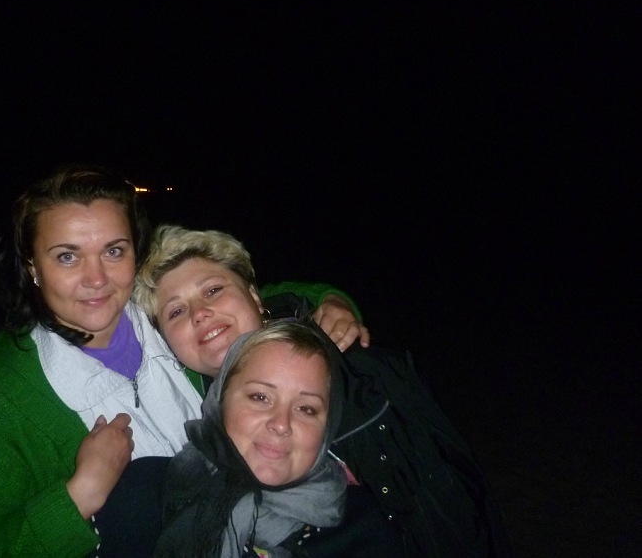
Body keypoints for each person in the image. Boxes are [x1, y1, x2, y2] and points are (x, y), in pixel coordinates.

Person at [0, 163, 369, 557]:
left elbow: (247, 303)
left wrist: (330, 301)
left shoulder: (167, 322)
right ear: (33, 267)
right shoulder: (6, 402)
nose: (96, 279)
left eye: (114, 251)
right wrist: (77, 496)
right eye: (68, 256)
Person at [133, 223, 514, 557]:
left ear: (254, 295)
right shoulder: (187, 413)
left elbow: (455, 501)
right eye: (176, 311)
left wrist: (330, 298)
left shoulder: (360, 372)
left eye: (214, 290)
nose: (199, 312)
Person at [154, 321, 347, 558]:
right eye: (260, 397)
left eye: (306, 409)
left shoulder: (366, 532)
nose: (281, 424)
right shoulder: (144, 496)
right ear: (221, 400)